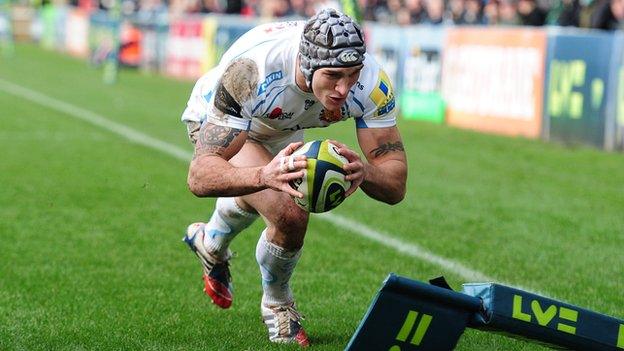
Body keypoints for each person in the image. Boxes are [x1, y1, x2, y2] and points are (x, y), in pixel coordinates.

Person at [180, 8, 407, 347]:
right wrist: (263, 173)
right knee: (289, 210)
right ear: (307, 64)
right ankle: (277, 303)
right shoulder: (252, 71)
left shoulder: (372, 84)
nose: (344, 88)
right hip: (223, 119)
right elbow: (200, 176)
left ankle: (211, 241)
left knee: (271, 189)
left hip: (286, 125)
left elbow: (396, 185)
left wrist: (367, 171)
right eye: (333, 75)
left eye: (352, 74)